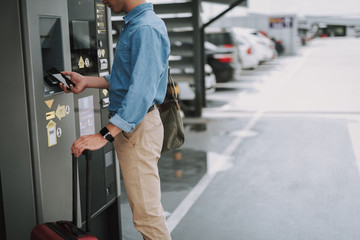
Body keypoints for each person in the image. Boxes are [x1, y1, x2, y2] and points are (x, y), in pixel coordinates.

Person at [59, 0, 171, 239]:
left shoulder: (145, 28)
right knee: (146, 212)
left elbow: (141, 93)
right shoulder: (136, 25)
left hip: (137, 128)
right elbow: (125, 80)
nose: (104, 1)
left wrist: (103, 136)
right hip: (134, 127)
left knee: (147, 217)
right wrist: (87, 81)